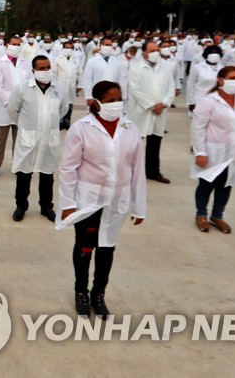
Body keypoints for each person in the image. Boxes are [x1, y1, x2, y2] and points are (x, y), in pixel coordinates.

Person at [56, 81, 145, 320]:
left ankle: (99, 293)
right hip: (88, 199)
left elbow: (137, 169)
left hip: (118, 200)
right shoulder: (81, 128)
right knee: (85, 246)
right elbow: (68, 167)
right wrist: (67, 204)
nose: (116, 104)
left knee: (107, 248)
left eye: (119, 99)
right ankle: (81, 292)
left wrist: (139, 207)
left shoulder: (130, 128)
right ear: (96, 102)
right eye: (109, 100)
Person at [191, 66, 235, 233]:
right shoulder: (208, 101)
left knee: (227, 185)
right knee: (207, 183)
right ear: (220, 80)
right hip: (214, 150)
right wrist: (200, 152)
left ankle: (217, 215)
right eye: (232, 77)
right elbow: (198, 128)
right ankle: (201, 214)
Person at [8, 55, 63, 222]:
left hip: (49, 138)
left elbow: (63, 109)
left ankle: (46, 207)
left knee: (47, 174)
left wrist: (48, 123)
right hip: (29, 138)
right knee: (24, 174)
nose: (45, 71)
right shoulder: (23, 88)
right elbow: (12, 110)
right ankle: (21, 206)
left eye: (48, 67)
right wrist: (27, 125)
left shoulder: (59, 88)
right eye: (41, 68)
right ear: (33, 71)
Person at [127, 41, 176, 184]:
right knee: (135, 142)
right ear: (144, 52)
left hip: (160, 111)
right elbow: (135, 90)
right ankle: (130, 171)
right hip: (141, 110)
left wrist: (164, 103)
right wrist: (151, 105)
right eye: (152, 50)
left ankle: (153, 171)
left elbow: (171, 88)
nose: (156, 52)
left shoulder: (165, 68)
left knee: (155, 142)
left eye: (157, 49)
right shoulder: (135, 68)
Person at [0, 35, 31, 179]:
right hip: (4, 107)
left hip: (22, 107)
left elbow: (30, 84)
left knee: (19, 139)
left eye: (19, 44)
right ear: (7, 45)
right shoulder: (0, 63)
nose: (17, 46)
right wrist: (11, 102)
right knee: (0, 139)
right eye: (14, 44)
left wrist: (21, 102)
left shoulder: (26, 63)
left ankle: (18, 166)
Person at [187, 45, 223, 110]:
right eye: (212, 53)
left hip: (217, 100)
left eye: (216, 53)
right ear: (206, 55)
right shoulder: (198, 67)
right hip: (200, 98)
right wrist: (191, 102)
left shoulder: (222, 68)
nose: (214, 55)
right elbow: (190, 85)